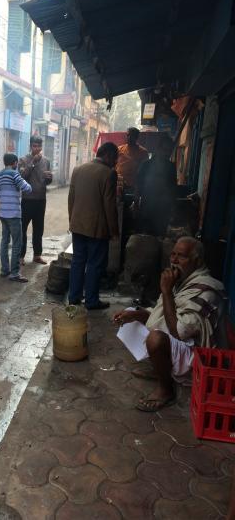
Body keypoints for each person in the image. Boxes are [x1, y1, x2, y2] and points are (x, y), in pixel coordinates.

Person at [113, 237, 225, 411]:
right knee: (132, 314)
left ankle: (166, 390)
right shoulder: (181, 280)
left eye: (181, 256)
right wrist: (135, 315)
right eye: (173, 254)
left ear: (197, 261)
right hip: (179, 341)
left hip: (196, 354)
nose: (173, 260)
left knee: (155, 339)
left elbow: (180, 331)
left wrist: (166, 291)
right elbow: (160, 313)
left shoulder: (207, 290)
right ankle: (160, 369)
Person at [68, 142, 119, 310]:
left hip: (78, 225)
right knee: (95, 264)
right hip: (97, 228)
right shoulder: (109, 174)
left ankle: (74, 297)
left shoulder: (78, 169)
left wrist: (72, 220)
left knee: (78, 261)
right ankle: (91, 301)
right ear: (109, 155)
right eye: (116, 157)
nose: (116, 161)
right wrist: (114, 230)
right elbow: (109, 206)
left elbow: (71, 198)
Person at [0, 153, 32, 283]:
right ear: (15, 163)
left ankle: (5, 270)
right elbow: (27, 188)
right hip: (14, 214)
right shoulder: (14, 174)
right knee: (17, 243)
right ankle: (14, 273)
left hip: (3, 213)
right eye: (17, 163)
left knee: (5, 242)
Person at [18, 136, 53, 265]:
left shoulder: (46, 161)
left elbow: (47, 181)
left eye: (39, 146)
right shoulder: (23, 160)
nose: (37, 148)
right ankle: (20, 256)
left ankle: (37, 255)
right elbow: (22, 177)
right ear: (30, 146)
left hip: (40, 199)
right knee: (23, 229)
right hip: (27, 199)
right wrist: (32, 162)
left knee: (38, 229)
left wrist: (49, 178)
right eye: (34, 146)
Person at [135, 134, 177, 236]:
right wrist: (136, 203)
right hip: (147, 209)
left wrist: (172, 209)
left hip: (163, 211)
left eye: (169, 150)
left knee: (160, 237)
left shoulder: (171, 167)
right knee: (146, 239)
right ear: (158, 149)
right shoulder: (146, 165)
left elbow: (173, 189)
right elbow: (138, 185)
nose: (167, 153)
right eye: (165, 149)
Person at [117, 127, 149, 192]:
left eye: (132, 136)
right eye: (128, 135)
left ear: (137, 137)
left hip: (134, 187)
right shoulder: (119, 149)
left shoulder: (143, 152)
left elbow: (145, 171)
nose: (129, 137)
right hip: (118, 184)